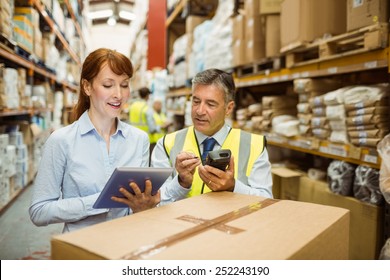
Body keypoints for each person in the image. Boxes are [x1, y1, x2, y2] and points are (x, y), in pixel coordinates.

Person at [29, 48, 160, 233]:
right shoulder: (61, 141)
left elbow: (137, 205)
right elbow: (39, 211)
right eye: (108, 85)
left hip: (126, 244)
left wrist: (142, 207)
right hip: (81, 251)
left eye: (124, 85)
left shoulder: (139, 140)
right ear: (87, 87)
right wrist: (101, 201)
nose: (119, 94)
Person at [151, 68, 273, 203]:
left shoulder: (253, 145)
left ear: (228, 108)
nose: (199, 111)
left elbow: (266, 201)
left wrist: (233, 187)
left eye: (210, 104)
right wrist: (181, 183)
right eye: (196, 101)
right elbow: (156, 203)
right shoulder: (167, 144)